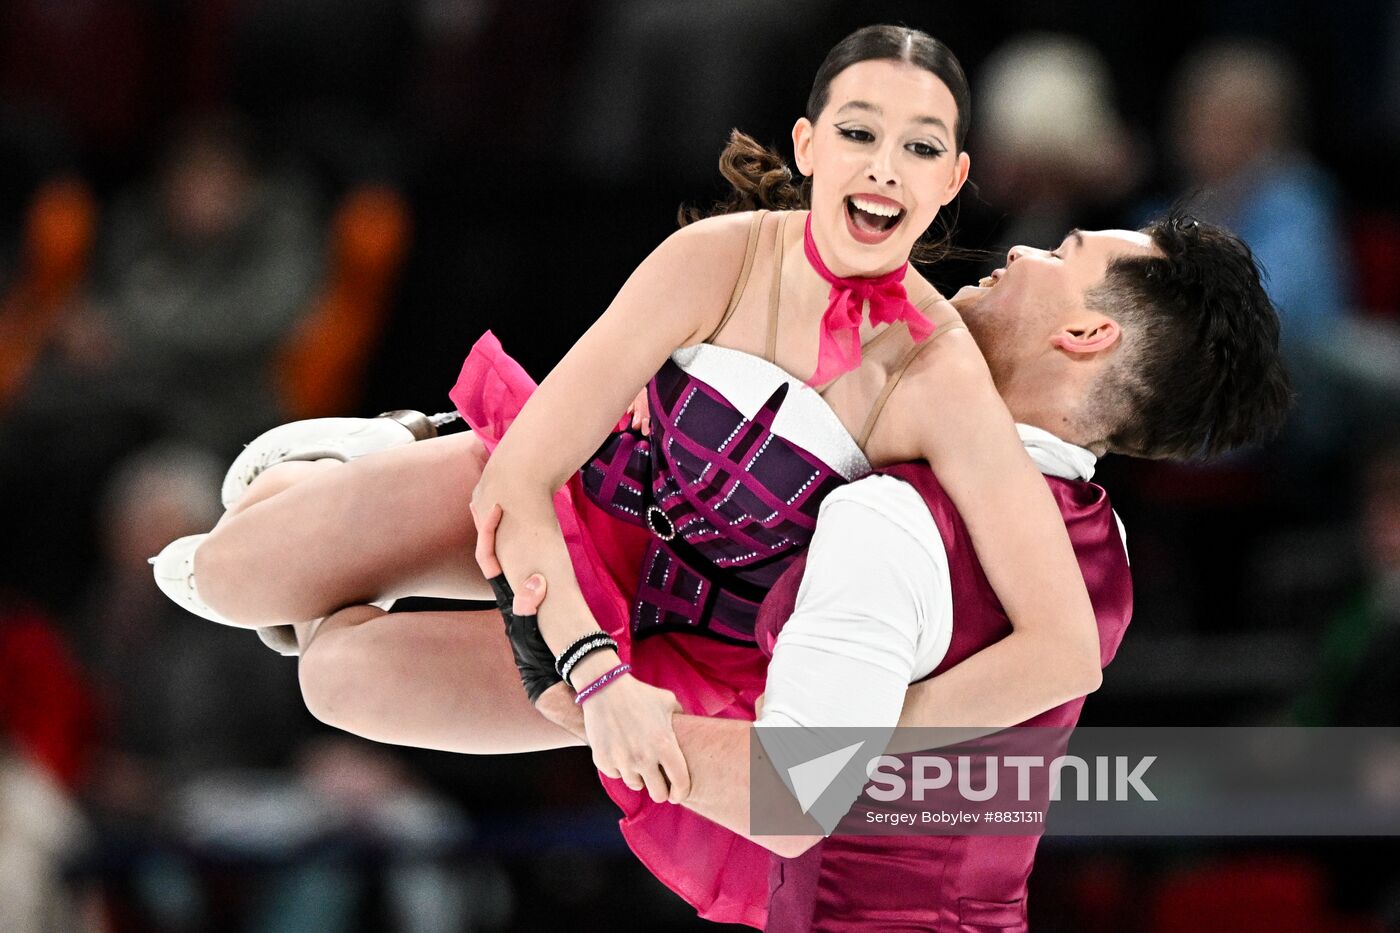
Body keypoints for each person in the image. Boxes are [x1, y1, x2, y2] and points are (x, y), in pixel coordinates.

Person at [153, 24, 1155, 925]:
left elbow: (1065, 649)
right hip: (577, 507)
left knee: (333, 679)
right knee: (230, 576)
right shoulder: (717, 255)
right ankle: (385, 452)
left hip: (680, 646)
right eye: (859, 133)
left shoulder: (946, 382)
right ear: (809, 145)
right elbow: (522, 483)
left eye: (921, 148)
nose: (885, 169)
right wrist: (588, 666)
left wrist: (848, 749)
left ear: (952, 178)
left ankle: (343, 541)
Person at [477, 212, 1290, 928]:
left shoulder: (892, 516)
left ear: (1085, 333)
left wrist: (594, 706)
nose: (1020, 250)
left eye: (1061, 251)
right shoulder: (1103, 545)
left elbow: (792, 792)